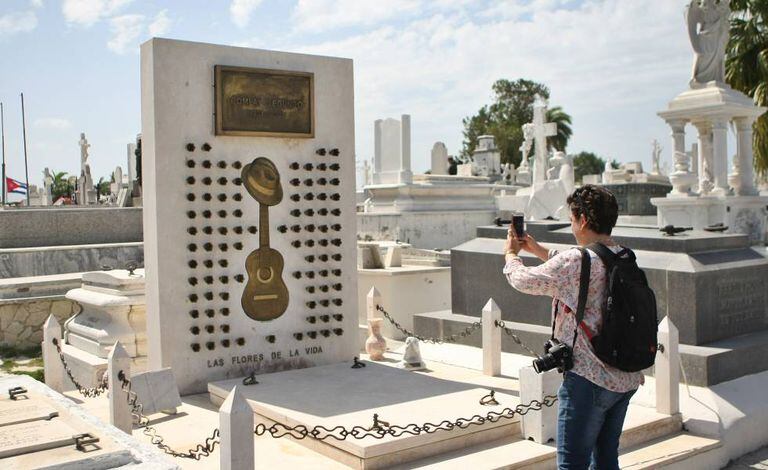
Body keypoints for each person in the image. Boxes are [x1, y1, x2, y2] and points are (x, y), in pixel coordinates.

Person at [502, 185, 643, 470]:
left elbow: (524, 280)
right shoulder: (623, 255)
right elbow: (577, 266)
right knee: (606, 460)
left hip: (588, 380)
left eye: (572, 218)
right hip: (625, 377)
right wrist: (537, 249)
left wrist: (511, 255)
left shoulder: (575, 261)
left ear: (583, 220)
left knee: (571, 465)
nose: (572, 224)